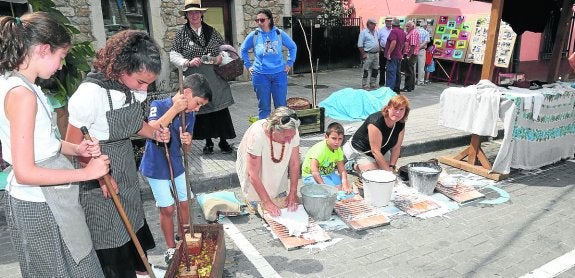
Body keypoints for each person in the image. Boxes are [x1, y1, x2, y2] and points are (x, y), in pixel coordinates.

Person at [0, 12, 110, 277]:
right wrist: (86, 173)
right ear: (43, 49)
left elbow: (41, 142)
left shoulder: (19, 84)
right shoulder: (22, 95)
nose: (61, 66)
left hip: (44, 198)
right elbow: (26, 172)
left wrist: (75, 149)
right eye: (61, 57)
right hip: (40, 202)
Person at [65, 30, 170, 277]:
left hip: (124, 165)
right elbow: (73, 146)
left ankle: (140, 270)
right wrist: (100, 175)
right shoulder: (90, 95)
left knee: (132, 224)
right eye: (141, 82)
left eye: (148, 83)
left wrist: (155, 134)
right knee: (111, 236)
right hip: (94, 173)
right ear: (122, 67)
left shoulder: (133, 87)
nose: (144, 88)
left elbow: (134, 124)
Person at [139, 73, 212, 265]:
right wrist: (174, 109)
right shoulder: (160, 105)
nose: (197, 108)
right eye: (197, 103)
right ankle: (170, 248)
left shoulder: (191, 114)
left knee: (186, 203)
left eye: (200, 107)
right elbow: (152, 129)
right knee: (168, 208)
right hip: (156, 165)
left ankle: (183, 238)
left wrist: (187, 142)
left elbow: (186, 148)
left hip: (176, 163)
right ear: (186, 93)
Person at [170, 0, 236, 155]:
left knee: (219, 108)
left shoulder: (212, 31)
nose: (194, 15)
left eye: (196, 12)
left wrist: (220, 58)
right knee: (202, 109)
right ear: (186, 15)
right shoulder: (181, 34)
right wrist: (187, 61)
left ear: (201, 14)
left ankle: (224, 141)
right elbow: (173, 54)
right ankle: (208, 143)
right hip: (195, 78)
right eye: (190, 13)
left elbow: (223, 49)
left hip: (214, 77)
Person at [235, 107, 301, 217]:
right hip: (256, 171)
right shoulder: (257, 135)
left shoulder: (292, 129)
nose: (290, 140)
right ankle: (257, 197)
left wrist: (293, 192)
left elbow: (294, 163)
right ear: (274, 130)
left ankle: (276, 191)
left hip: (277, 169)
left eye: (292, 136)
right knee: (260, 204)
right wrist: (267, 202)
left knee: (282, 198)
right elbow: (253, 174)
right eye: (286, 137)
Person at [240, 9, 298, 120]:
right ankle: (265, 132)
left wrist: (289, 63)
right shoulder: (254, 35)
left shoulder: (279, 33)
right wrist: (248, 66)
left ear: (269, 20)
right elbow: (243, 50)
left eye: (262, 20)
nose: (259, 23)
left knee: (281, 107)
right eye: (257, 20)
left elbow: (293, 47)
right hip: (260, 75)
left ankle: (280, 132)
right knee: (264, 107)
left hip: (279, 74)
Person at [343, 95, 410, 173]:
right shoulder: (376, 121)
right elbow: (375, 151)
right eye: (395, 108)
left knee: (386, 169)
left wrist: (392, 166)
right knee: (374, 172)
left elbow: (396, 148)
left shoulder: (401, 122)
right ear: (388, 108)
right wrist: (389, 173)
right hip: (362, 151)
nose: (398, 112)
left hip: (382, 149)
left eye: (402, 109)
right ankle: (352, 165)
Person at [301, 122, 351, 193]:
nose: (337, 142)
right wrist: (323, 186)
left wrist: (345, 184)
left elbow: (342, 170)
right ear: (326, 137)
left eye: (340, 139)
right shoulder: (320, 150)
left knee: (343, 187)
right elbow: (314, 171)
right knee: (330, 191)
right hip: (311, 176)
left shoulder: (338, 150)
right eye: (334, 138)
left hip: (328, 174)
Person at [357, 18, 380, 90]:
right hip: (368, 53)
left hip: (376, 54)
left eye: (375, 24)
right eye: (373, 24)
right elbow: (360, 45)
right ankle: (364, 84)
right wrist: (363, 54)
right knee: (366, 69)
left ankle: (373, 83)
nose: (374, 26)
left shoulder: (376, 32)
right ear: (369, 24)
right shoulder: (364, 32)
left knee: (375, 69)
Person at [385, 19, 406, 93]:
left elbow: (393, 42)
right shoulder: (402, 32)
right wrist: (402, 53)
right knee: (397, 73)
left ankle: (389, 91)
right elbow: (405, 44)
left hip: (393, 56)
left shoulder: (393, 31)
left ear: (392, 25)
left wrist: (388, 53)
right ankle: (397, 89)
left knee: (391, 73)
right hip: (399, 56)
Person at [401, 21, 420, 93]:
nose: (407, 27)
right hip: (411, 53)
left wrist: (408, 55)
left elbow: (413, 45)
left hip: (411, 54)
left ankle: (407, 87)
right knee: (410, 70)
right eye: (406, 26)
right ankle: (411, 87)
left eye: (408, 26)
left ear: (412, 26)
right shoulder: (411, 32)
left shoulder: (413, 33)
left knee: (408, 71)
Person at [378, 17, 394, 87]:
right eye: (387, 21)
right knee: (382, 67)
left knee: (390, 67)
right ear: (385, 22)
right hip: (383, 49)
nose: (389, 23)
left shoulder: (393, 30)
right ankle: (382, 82)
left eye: (390, 21)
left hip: (391, 50)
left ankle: (389, 82)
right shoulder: (381, 30)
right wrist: (380, 48)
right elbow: (378, 40)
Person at [416, 20, 431, 86]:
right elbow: (426, 42)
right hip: (421, 50)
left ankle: (412, 80)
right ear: (425, 26)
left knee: (413, 66)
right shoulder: (426, 32)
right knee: (421, 67)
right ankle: (420, 81)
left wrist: (416, 48)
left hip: (413, 49)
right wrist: (419, 47)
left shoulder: (415, 31)